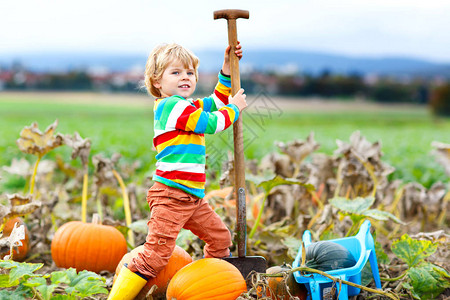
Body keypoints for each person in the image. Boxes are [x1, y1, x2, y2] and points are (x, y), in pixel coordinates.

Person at [108, 42, 247, 299]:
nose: (185, 77)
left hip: (191, 197)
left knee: (220, 239)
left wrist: (226, 71)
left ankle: (211, 288)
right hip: (171, 196)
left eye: (190, 73)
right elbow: (212, 122)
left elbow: (216, 102)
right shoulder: (171, 106)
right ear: (157, 81)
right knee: (156, 255)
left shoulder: (187, 105)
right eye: (176, 72)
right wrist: (235, 108)